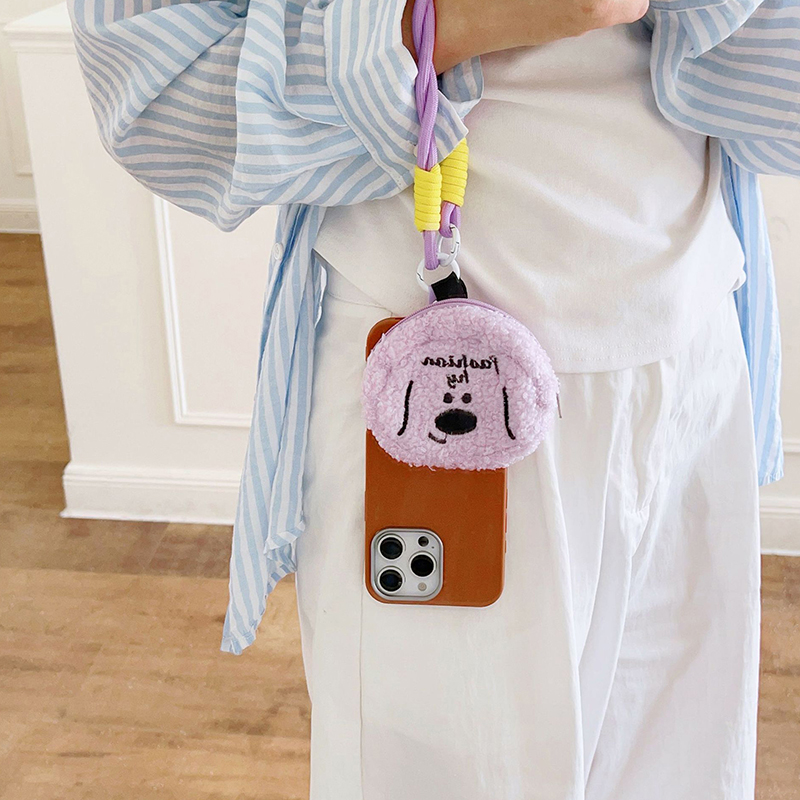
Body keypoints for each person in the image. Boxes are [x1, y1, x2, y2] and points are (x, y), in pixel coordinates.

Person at [68, 0, 798, 797]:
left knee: (683, 768)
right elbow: (154, 93)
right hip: (428, 393)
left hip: (696, 359)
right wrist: (460, 21)